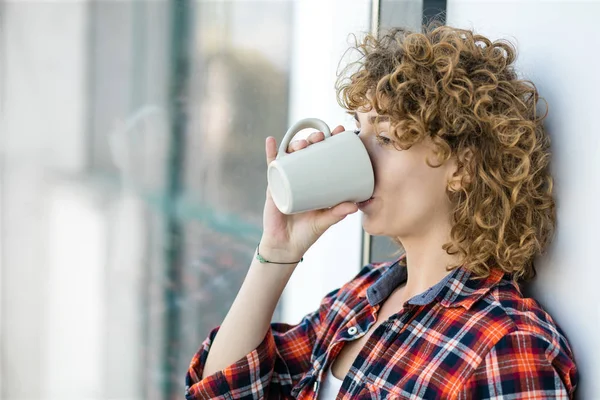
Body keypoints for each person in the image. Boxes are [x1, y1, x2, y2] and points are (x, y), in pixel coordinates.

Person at [185, 24, 578, 399]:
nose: (361, 156)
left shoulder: (505, 345)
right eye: (359, 131)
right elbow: (222, 391)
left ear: (464, 167)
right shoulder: (360, 297)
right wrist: (276, 251)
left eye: (386, 138)